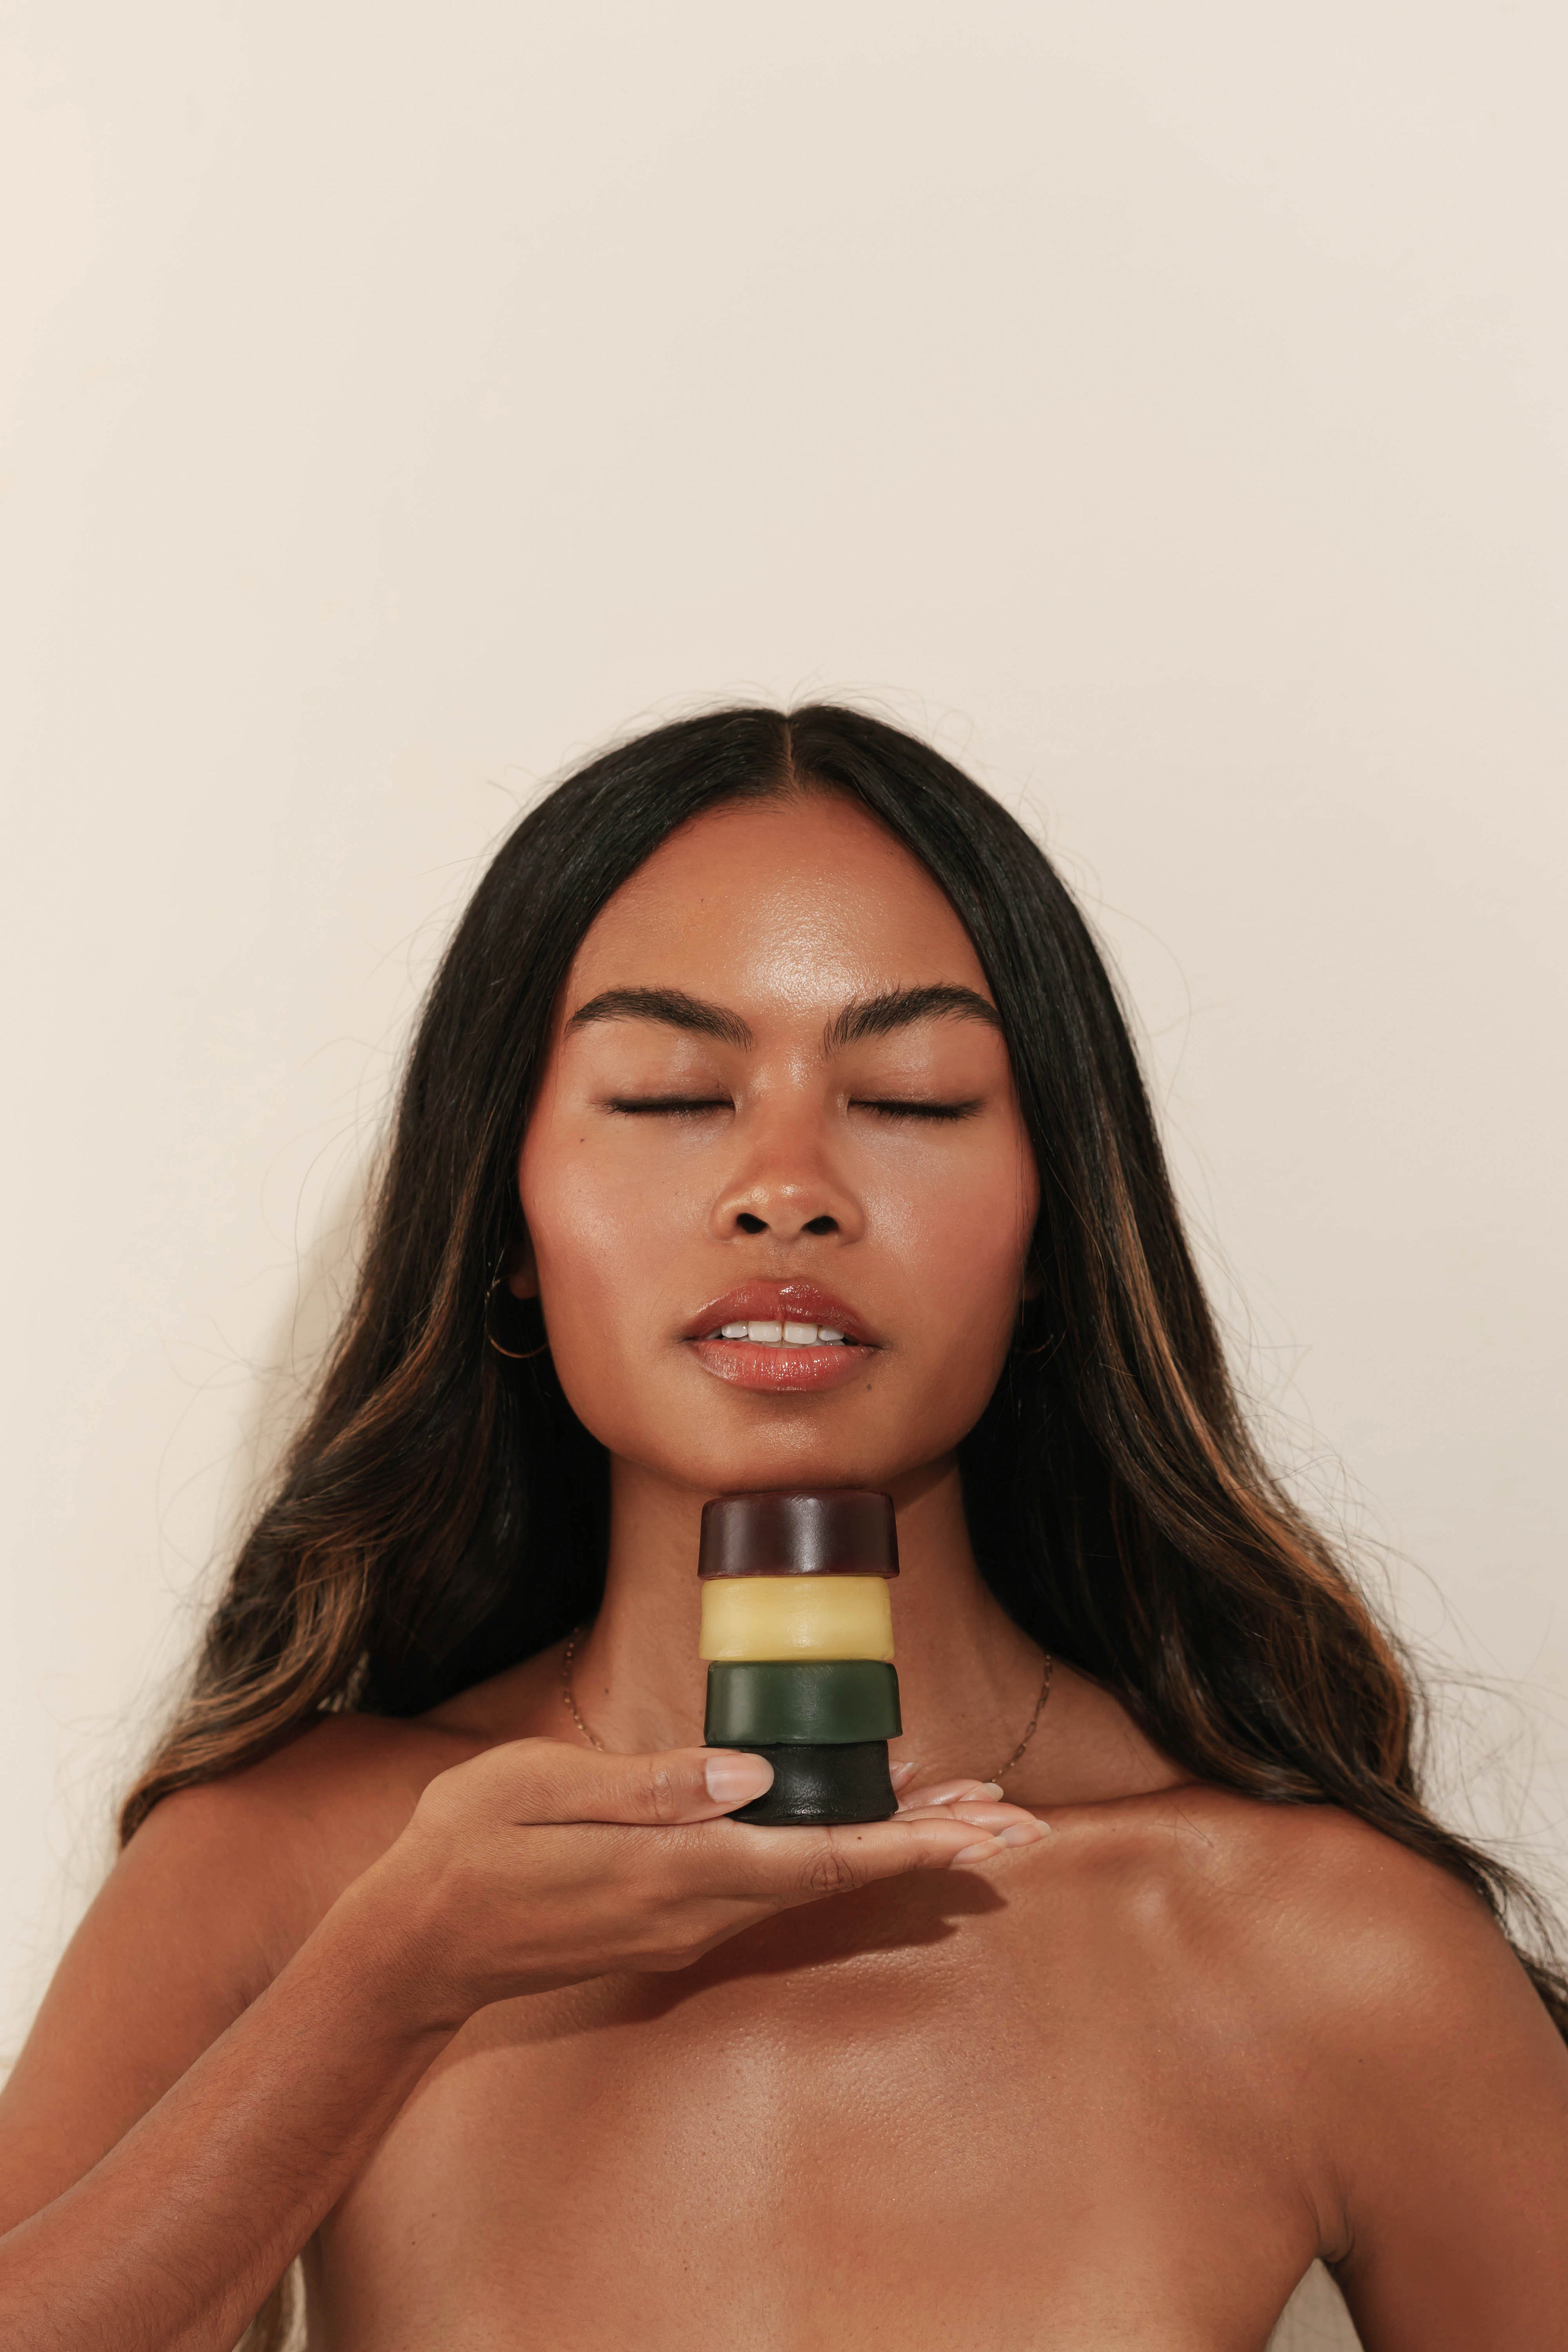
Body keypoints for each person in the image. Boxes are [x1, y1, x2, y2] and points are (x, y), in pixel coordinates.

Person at [0, 705, 1564, 2351]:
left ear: (1054, 1231)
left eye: (913, 1095)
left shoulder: (1328, 1947)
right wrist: (380, 1990)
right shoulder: (292, 1881)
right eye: (675, 1094)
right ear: (503, 1216)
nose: (787, 1186)